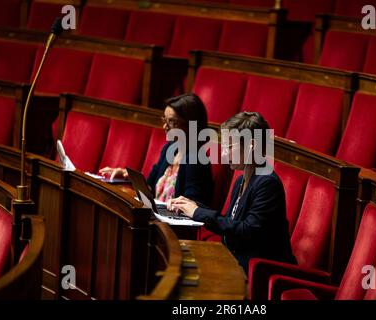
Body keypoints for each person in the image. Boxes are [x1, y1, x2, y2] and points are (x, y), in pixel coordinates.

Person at [169, 111, 294, 273]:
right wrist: (192, 206)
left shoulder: (267, 183)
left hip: (260, 273)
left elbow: (246, 231)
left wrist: (198, 212)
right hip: (237, 262)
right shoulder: (239, 181)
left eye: (229, 146)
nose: (223, 153)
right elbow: (229, 222)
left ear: (252, 146)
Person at [99, 93, 213, 205]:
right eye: (165, 120)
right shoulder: (169, 149)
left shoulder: (196, 160)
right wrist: (127, 175)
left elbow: (192, 206)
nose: (165, 127)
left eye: (173, 122)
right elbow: (149, 186)